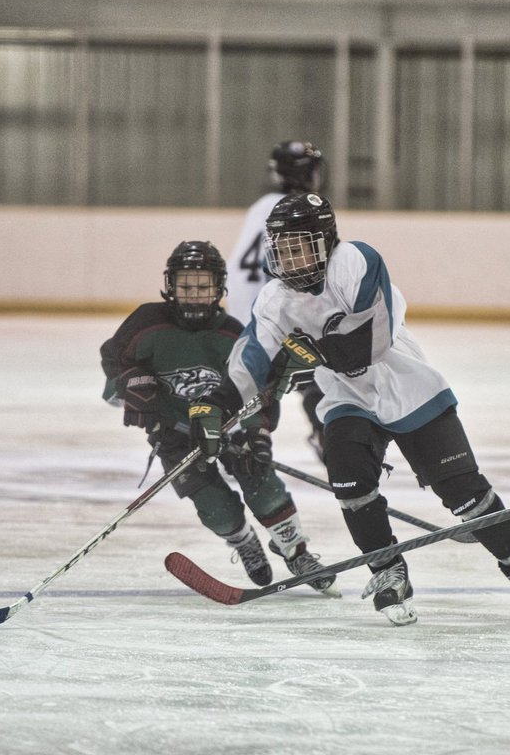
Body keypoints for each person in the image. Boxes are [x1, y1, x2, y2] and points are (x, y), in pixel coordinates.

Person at [188, 192, 510, 626]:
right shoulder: (275, 299)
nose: (289, 258)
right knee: (349, 482)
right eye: (283, 248)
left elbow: (372, 340)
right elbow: (250, 360)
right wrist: (213, 406)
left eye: (300, 246)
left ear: (326, 240)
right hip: (348, 398)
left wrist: (312, 352)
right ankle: (388, 572)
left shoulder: (355, 260)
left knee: (465, 494)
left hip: (407, 387)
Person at [100, 240, 338, 597]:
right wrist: (132, 382)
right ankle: (244, 541)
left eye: (203, 286)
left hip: (229, 426)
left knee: (262, 483)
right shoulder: (146, 323)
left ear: (219, 288)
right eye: (186, 285)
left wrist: (258, 435)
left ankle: (296, 552)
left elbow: (259, 387)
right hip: (175, 435)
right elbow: (114, 360)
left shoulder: (233, 333)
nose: (194, 294)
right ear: (170, 285)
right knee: (215, 508)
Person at [226, 141, 329, 460]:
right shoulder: (301, 209)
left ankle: (236, 437)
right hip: (271, 310)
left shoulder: (261, 205)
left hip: (244, 312)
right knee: (324, 371)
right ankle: (330, 440)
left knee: (264, 382)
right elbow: (289, 270)